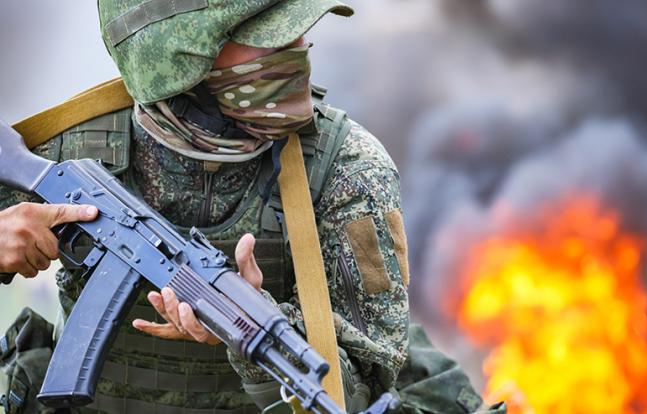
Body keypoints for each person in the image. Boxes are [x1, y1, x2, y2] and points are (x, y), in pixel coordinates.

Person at [0, 1, 504, 413]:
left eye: (296, 30)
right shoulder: (68, 147)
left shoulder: (347, 168)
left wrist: (250, 332)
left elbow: (360, 393)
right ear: (180, 60)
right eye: (269, 36)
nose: (300, 46)